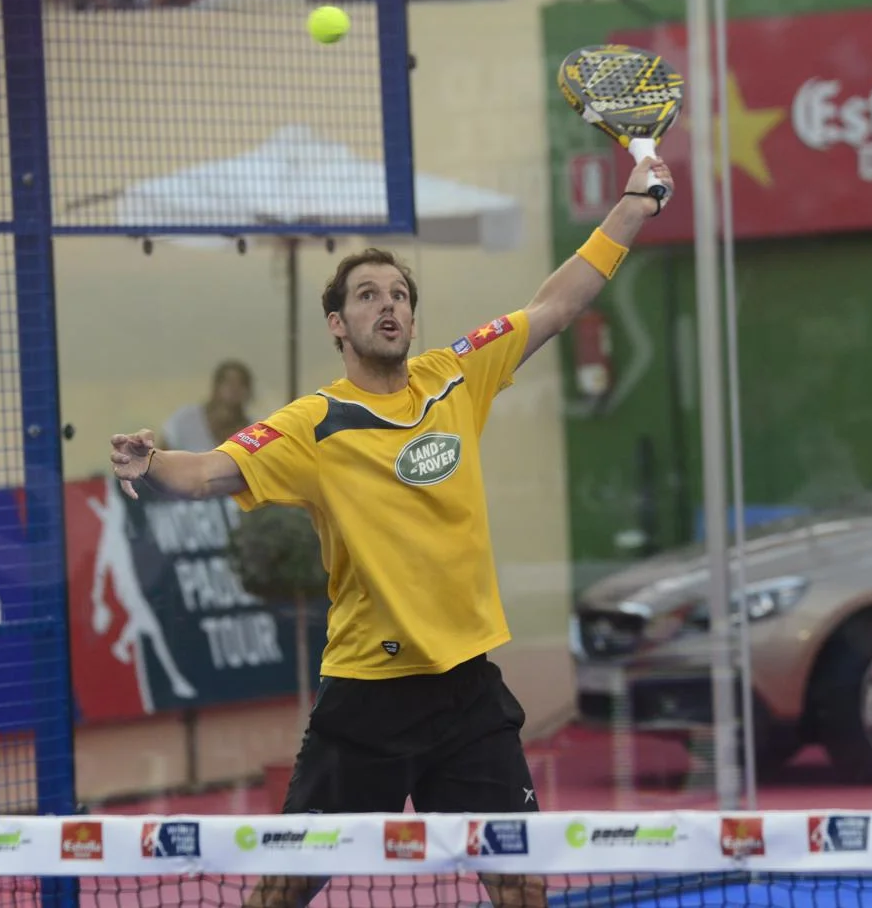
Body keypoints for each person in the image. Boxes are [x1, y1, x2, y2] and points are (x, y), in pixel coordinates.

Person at [108, 156, 672, 908]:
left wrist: (632, 206)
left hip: (467, 692)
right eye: (368, 295)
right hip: (367, 698)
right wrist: (150, 464)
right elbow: (209, 471)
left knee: (521, 885)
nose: (389, 306)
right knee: (286, 885)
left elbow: (556, 305)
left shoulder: (456, 376)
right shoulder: (312, 424)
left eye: (400, 295)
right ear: (338, 324)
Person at [160, 359, 256, 453]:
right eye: (229, 383)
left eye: (241, 384)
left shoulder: (253, 432)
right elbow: (161, 455)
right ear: (215, 387)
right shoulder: (185, 420)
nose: (235, 389)